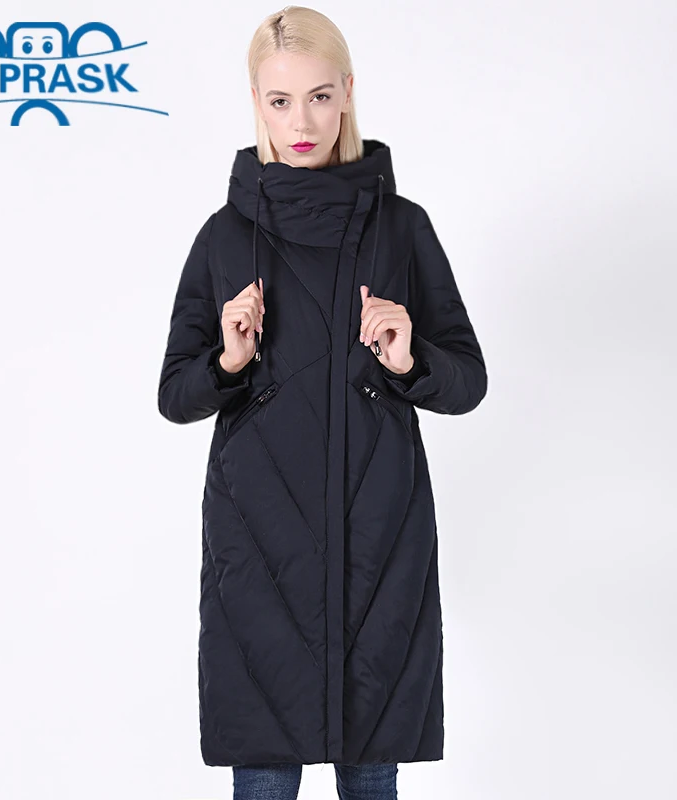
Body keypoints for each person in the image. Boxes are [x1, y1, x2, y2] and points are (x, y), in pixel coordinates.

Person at [158, 6, 488, 799]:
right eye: (280, 101)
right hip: (259, 549)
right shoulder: (223, 237)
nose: (301, 122)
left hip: (379, 545)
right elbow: (175, 394)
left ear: (347, 92)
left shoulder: (403, 230)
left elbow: (468, 379)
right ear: (255, 102)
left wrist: (409, 359)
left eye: (318, 97)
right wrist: (230, 360)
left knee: (371, 768)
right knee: (265, 774)